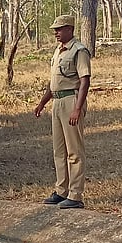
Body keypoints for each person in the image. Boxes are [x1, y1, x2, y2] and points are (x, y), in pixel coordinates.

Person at [33, 14, 92, 209]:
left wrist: (77, 108)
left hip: (70, 100)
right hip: (57, 102)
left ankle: (75, 195)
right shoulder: (58, 51)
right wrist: (42, 103)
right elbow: (54, 83)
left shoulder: (79, 51)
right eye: (55, 30)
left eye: (59, 29)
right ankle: (61, 190)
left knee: (74, 150)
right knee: (59, 150)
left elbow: (85, 81)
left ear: (70, 29)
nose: (56, 33)